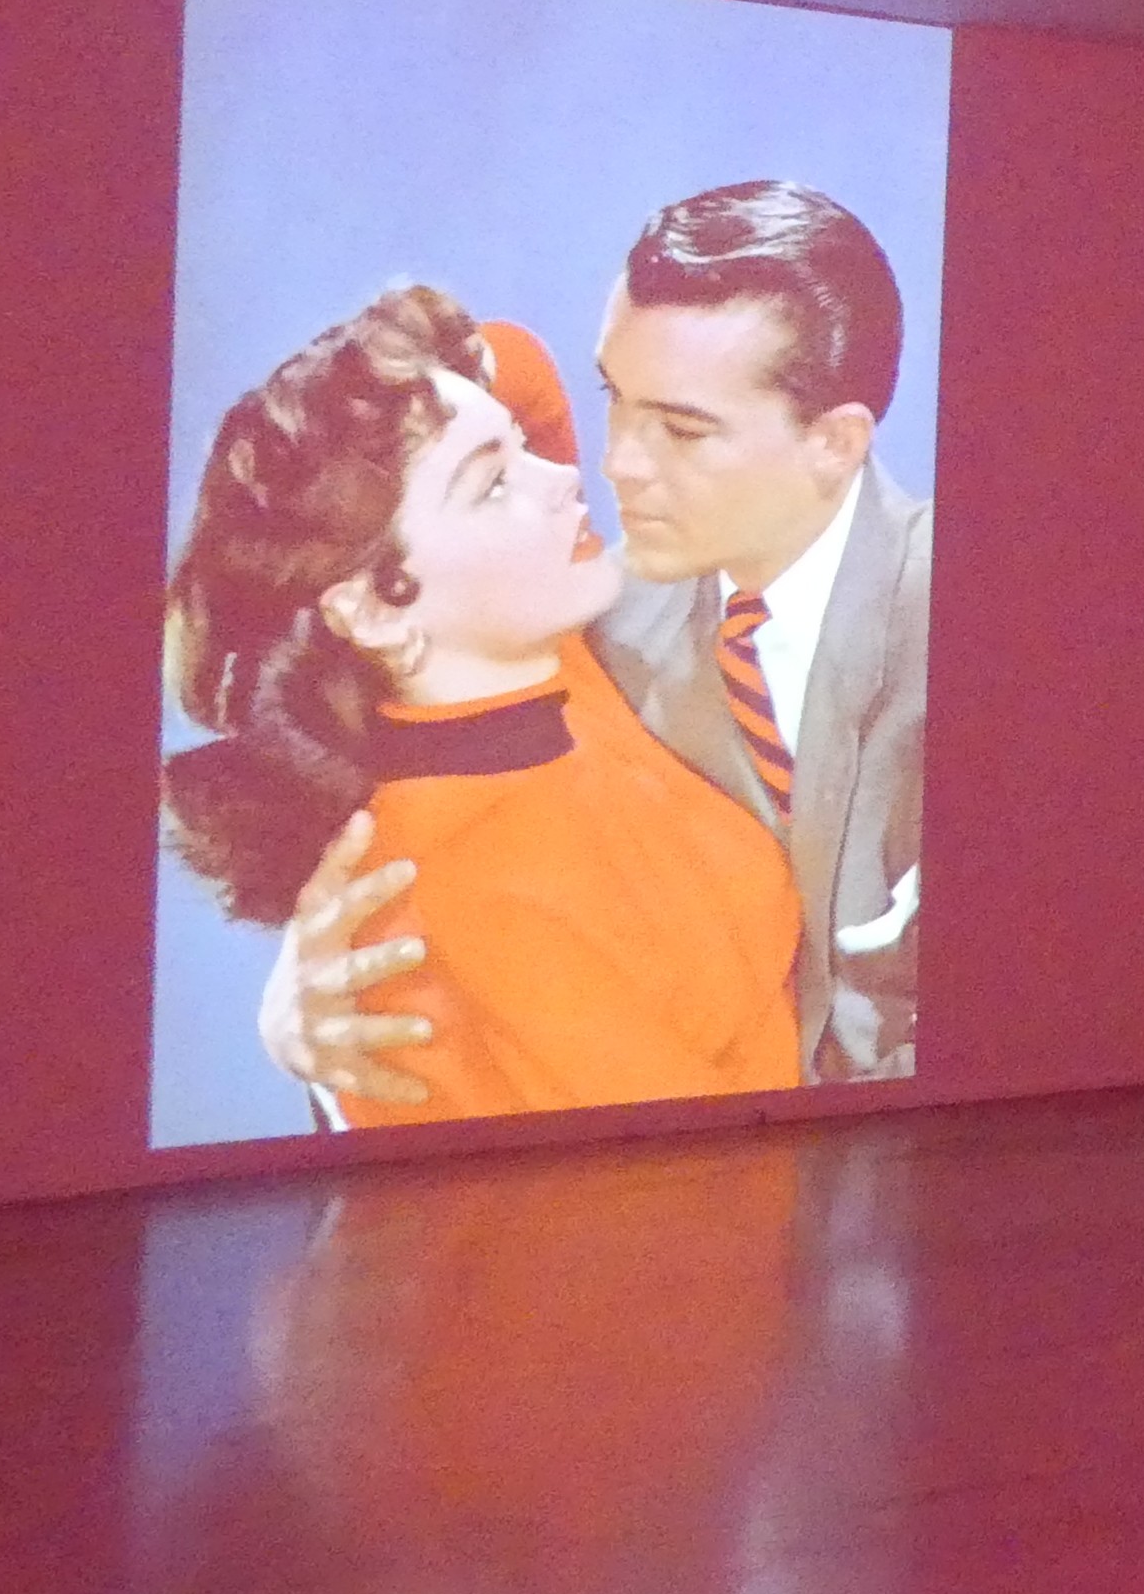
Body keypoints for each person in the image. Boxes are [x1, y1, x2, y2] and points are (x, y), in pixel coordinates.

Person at [263, 183, 932, 1107]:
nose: (612, 466)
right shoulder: (586, 622)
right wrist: (305, 1002)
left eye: (682, 429)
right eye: (614, 398)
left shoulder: (975, 618)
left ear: (835, 444)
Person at [166, 286, 802, 1123]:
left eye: (518, 448)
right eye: (494, 483)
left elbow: (518, 365)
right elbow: (720, 1180)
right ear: (375, 609)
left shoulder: (531, 677)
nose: (565, 477)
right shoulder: (472, 897)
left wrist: (391, 381)